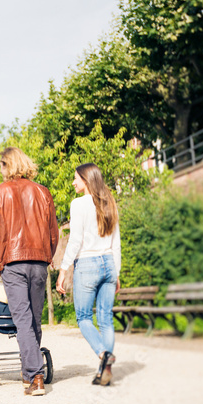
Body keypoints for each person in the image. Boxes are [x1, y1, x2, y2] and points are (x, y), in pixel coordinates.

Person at [0, 147, 59, 397]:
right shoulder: (43, 192)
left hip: (12, 263)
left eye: (1, 165)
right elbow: (53, 233)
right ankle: (30, 374)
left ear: (7, 165)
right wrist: (47, 255)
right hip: (38, 261)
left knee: (23, 320)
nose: (0, 170)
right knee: (34, 319)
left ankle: (35, 376)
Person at [56, 162, 121, 387]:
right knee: (105, 319)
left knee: (83, 318)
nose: (73, 182)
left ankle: (103, 354)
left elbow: (75, 240)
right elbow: (116, 241)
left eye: (76, 178)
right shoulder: (109, 202)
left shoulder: (79, 204)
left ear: (86, 179)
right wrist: (117, 272)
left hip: (87, 264)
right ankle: (106, 370)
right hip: (109, 264)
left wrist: (63, 269)